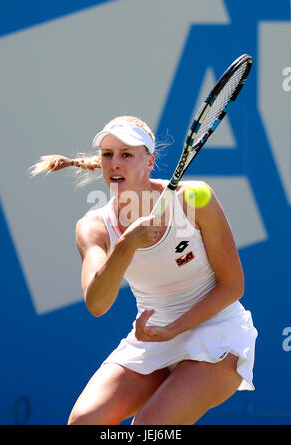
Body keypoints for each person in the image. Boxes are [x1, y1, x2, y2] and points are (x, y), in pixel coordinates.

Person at [30, 115, 258, 425]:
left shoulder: (193, 200)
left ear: (149, 162)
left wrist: (174, 328)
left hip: (216, 331)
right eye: (107, 155)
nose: (115, 163)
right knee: (84, 421)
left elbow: (233, 286)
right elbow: (97, 304)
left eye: (126, 154)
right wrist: (126, 244)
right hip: (152, 340)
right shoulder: (93, 226)